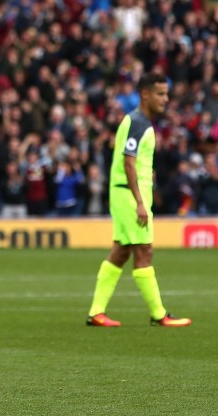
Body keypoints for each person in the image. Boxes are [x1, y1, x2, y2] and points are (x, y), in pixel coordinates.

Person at [86, 73, 191, 328]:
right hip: (129, 196)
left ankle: (96, 312)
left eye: (166, 94)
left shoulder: (139, 122)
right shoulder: (137, 123)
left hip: (127, 193)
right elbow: (128, 162)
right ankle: (159, 314)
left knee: (122, 251)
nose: (165, 99)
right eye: (160, 94)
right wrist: (140, 202)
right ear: (145, 94)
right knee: (144, 251)